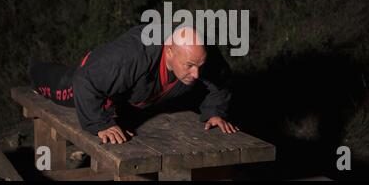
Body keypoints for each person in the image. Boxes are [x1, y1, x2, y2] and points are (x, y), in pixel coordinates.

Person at [29, 24, 239, 144]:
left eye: (200, 65)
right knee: (59, 85)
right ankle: (34, 70)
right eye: (190, 65)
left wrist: (214, 112)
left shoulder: (200, 54)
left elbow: (222, 81)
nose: (196, 74)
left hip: (136, 94)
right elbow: (84, 80)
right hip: (94, 78)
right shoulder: (132, 55)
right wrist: (101, 124)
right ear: (170, 51)